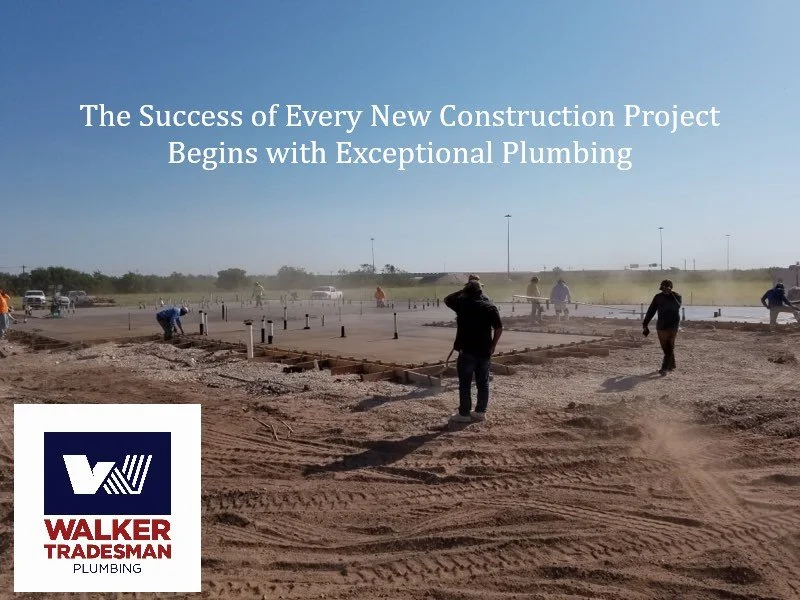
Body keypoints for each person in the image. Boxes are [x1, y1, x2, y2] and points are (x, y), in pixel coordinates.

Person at [444, 280, 503, 423]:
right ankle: (480, 412)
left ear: (467, 292)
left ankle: (464, 414)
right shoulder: (490, 306)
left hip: (467, 351)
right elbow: (498, 328)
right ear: (481, 292)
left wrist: (462, 290)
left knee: (465, 383)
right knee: (483, 382)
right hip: (484, 351)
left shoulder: (462, 305)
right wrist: (493, 345)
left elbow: (447, 299)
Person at [642, 279, 683, 375]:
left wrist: (671, 294)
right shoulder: (658, 297)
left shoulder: (677, 296)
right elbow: (651, 311)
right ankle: (672, 364)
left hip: (673, 325)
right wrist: (645, 324)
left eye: (666, 288)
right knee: (665, 348)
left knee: (669, 346)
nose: (664, 290)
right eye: (663, 288)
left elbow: (678, 306)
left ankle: (664, 368)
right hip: (661, 326)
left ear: (671, 288)